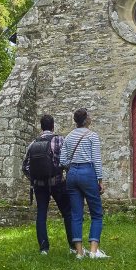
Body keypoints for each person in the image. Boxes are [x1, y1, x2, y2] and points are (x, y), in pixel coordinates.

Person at [60, 108, 109, 259]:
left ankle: (79, 253)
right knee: (96, 213)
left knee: (76, 214)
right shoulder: (92, 136)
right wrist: (100, 180)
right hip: (88, 172)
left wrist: (73, 166)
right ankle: (94, 251)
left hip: (72, 174)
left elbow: (62, 161)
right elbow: (96, 160)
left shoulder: (68, 137)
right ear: (86, 119)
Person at [22, 114, 73, 255]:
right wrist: (61, 172)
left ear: (41, 126)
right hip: (57, 182)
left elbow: (25, 166)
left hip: (39, 186)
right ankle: (73, 247)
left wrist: (34, 178)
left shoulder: (33, 143)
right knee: (67, 213)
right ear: (52, 126)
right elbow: (66, 161)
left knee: (41, 214)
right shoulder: (60, 140)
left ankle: (44, 249)